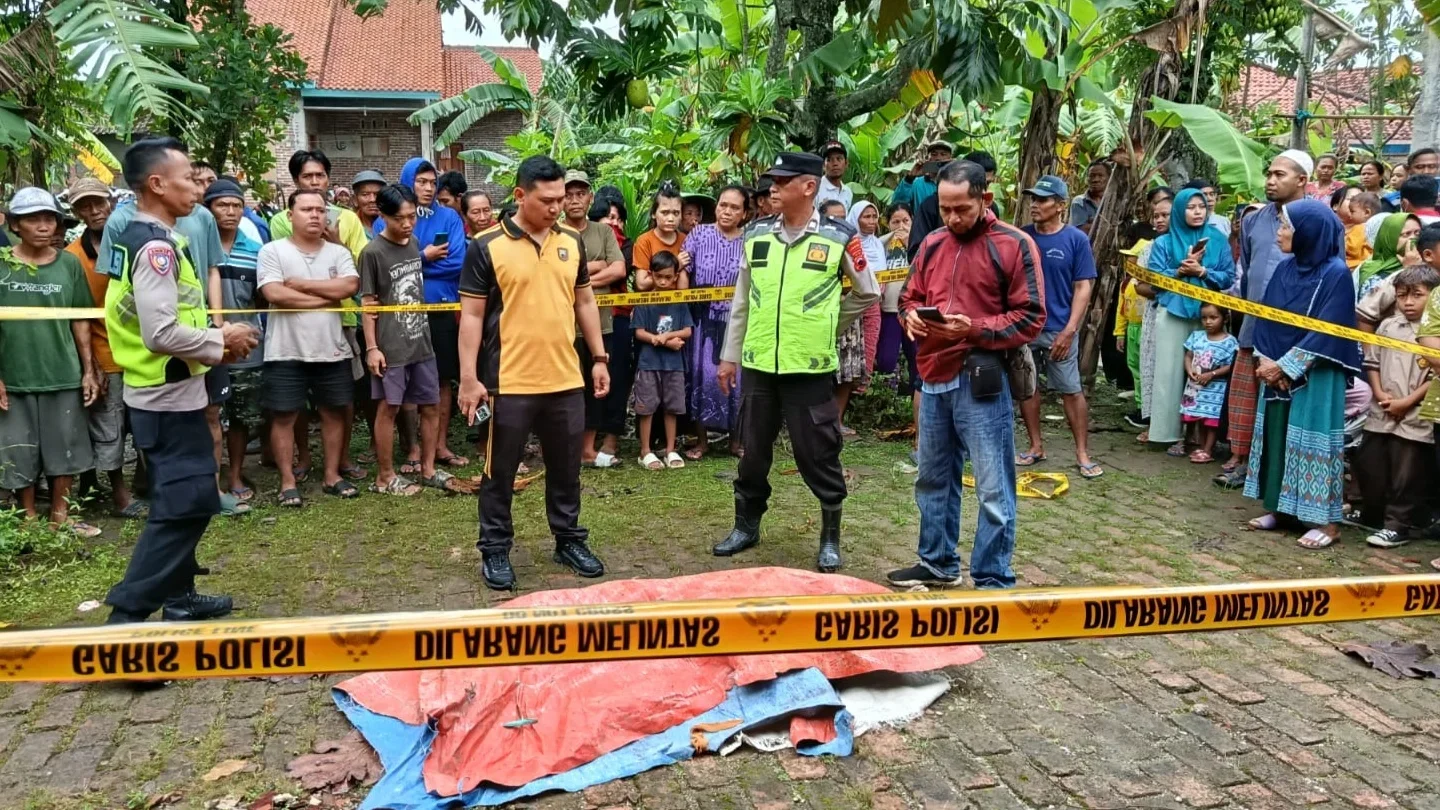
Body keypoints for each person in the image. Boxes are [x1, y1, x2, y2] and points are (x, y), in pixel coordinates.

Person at [103, 137, 259, 624]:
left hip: (170, 391)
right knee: (185, 504)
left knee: (183, 499)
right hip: (165, 396)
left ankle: (180, 597)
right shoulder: (156, 249)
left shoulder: (150, 237)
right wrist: (221, 339)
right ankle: (126, 620)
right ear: (156, 184)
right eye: (189, 178)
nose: (198, 187)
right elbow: (160, 332)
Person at [714, 151, 880, 572]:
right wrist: (729, 357)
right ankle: (746, 526)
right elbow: (742, 301)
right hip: (759, 365)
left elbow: (868, 291)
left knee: (817, 453)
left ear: (808, 187)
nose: (773, 187)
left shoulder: (840, 236)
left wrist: (828, 323)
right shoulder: (756, 233)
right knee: (752, 452)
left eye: (782, 181)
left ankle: (830, 537)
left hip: (808, 366)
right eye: (773, 180)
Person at [886, 160, 1046, 589]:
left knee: (993, 486)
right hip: (933, 375)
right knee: (932, 477)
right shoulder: (931, 243)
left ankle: (993, 577)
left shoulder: (1014, 244)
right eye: (945, 209)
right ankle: (937, 562)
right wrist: (910, 318)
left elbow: (1032, 317)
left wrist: (973, 329)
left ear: (984, 199)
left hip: (982, 378)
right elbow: (908, 298)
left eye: (962, 209)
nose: (953, 218)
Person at [457, 155, 610, 591]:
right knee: (500, 472)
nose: (557, 207)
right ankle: (495, 548)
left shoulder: (571, 242)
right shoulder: (486, 246)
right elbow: (471, 316)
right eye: (547, 200)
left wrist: (599, 358)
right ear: (520, 195)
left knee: (566, 469)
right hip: (508, 382)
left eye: (561, 199)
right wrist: (469, 378)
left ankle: (568, 539)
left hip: (565, 380)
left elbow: (584, 301)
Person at [1244, 199, 1361, 550]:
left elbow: (1329, 329)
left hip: (1316, 374)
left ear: (1308, 233)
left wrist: (1286, 366)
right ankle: (1282, 510)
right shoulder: (1285, 268)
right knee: (1278, 435)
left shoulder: (1336, 274)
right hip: (1275, 373)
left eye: (1286, 227)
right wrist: (1267, 361)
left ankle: (1326, 523)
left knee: (1314, 439)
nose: (1280, 233)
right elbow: (1266, 318)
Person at [0, 187, 100, 536]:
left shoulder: (69, 264)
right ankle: (26, 517)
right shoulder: (2, 264)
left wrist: (88, 370)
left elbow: (80, 320)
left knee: (65, 446)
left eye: (49, 219)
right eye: (33, 220)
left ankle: (61, 515)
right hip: (15, 375)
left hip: (62, 371)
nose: (43, 226)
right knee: (19, 448)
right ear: (15, 225)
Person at [266, 150, 370, 484]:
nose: (315, 215)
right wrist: (327, 297)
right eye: (306, 209)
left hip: (333, 341)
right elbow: (274, 293)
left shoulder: (340, 246)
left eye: (320, 210)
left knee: (336, 408)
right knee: (285, 413)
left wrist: (303, 286)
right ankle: (290, 478)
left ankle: (333, 473)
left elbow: (351, 284)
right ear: (290, 214)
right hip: (286, 346)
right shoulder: (273, 248)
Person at [1220, 150, 1310, 489]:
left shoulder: (1314, 220)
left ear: (1302, 180)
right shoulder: (1254, 220)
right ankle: (1243, 461)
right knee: (1246, 396)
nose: (1270, 181)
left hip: (1293, 331)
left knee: (1282, 400)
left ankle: (1277, 470)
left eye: (1280, 175)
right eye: (1269, 174)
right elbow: (1246, 270)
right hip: (1254, 321)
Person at [361, 183, 443, 497]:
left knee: (431, 405)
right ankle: (385, 476)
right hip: (391, 346)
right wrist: (372, 348)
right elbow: (368, 305)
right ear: (383, 215)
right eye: (400, 218)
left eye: (412, 216)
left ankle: (429, 468)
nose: (407, 224)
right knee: (389, 409)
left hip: (421, 342)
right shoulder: (372, 253)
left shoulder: (414, 243)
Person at [1016, 175, 1101, 478]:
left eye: (1042, 200)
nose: (1035, 205)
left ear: (1061, 206)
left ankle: (1082, 453)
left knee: (1070, 389)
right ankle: (1035, 446)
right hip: (1025, 327)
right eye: (1033, 199)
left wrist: (1070, 329)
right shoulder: (1021, 237)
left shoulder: (1076, 240)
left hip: (1059, 328)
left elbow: (1083, 287)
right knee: (1028, 388)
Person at [66, 178, 140, 519]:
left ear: (110, 202)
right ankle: (118, 492)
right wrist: (91, 364)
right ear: (76, 212)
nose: (94, 210)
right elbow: (77, 316)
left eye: (98, 202)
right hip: (103, 350)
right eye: (85, 205)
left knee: (143, 422)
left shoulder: (133, 241)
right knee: (109, 426)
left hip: (141, 349)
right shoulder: (73, 257)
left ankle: (144, 480)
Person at [1145, 187, 1235, 456]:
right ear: (1179, 210)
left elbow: (1228, 276)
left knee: (1205, 371)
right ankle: (1165, 433)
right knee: (1169, 373)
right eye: (1191, 207)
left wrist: (1203, 271)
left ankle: (1199, 435)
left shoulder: (1218, 239)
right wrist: (1180, 271)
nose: (1198, 212)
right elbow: (1154, 279)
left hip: (1209, 314)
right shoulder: (1164, 242)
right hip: (1173, 311)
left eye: (1201, 207)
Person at [392, 157, 469, 469]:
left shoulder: (448, 216)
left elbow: (456, 262)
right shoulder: (391, 216)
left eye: (432, 182)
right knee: (407, 379)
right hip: (404, 310)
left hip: (441, 308)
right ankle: (413, 448)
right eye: (421, 182)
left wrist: (412, 263)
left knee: (442, 379)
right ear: (408, 181)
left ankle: (439, 445)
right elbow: (391, 265)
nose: (428, 188)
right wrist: (424, 256)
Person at [1358, 265, 1437, 548]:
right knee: (1371, 463)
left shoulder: (1434, 331)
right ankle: (1374, 515)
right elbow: (1373, 362)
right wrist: (1380, 393)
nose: (1408, 302)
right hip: (1382, 408)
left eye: (1417, 295)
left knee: (1408, 473)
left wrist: (1406, 402)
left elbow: (1436, 376)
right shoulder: (1389, 326)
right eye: (1402, 296)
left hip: (1415, 413)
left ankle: (1398, 525)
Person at [204, 179, 267, 505]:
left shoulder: (255, 250)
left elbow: (262, 298)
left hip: (246, 348)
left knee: (242, 416)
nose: (230, 212)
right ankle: (210, 477)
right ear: (208, 209)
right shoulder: (197, 247)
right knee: (209, 414)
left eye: (236, 205)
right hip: (205, 345)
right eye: (222, 205)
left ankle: (237, 474)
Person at [561, 170, 626, 467]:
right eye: (569, 195)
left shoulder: (604, 232)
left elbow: (619, 269)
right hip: (563, 327)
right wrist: (597, 266)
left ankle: (587, 449)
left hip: (601, 324)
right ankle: (566, 447)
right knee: (567, 390)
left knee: (596, 388)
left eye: (580, 194)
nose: (575, 200)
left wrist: (580, 278)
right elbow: (555, 275)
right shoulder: (554, 232)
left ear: (590, 197)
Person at [685, 185, 748, 460]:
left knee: (737, 380)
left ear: (744, 213)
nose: (727, 211)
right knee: (702, 377)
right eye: (723, 205)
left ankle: (736, 442)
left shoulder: (750, 240)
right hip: (703, 320)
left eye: (734, 207)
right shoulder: (699, 234)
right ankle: (702, 442)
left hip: (737, 320)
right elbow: (684, 268)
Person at [632, 251, 693, 469]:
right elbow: (639, 332)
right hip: (649, 363)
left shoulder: (679, 301)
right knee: (646, 407)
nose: (664, 282)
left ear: (676, 276)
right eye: (659, 277)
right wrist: (663, 341)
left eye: (668, 277)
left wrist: (666, 336)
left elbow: (687, 330)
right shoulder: (645, 300)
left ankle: (670, 449)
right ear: (651, 275)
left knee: (672, 406)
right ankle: (645, 451)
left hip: (674, 365)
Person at [833, 199, 886, 434]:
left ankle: (838, 419)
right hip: (834, 312)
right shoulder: (823, 245)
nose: (838, 222)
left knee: (852, 366)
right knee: (832, 368)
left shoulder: (868, 245)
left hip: (862, 309)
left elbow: (871, 284)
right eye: (833, 217)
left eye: (842, 217)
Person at [1180, 302, 1238, 463]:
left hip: (1215, 389)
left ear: (1225, 318)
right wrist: (1189, 370)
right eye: (1204, 318)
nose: (1208, 322)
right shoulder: (1196, 336)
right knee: (1199, 417)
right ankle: (1201, 446)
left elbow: (1231, 365)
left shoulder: (1230, 342)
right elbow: (1189, 356)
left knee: (1211, 420)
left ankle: (1208, 450)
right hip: (1195, 387)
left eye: (1213, 317)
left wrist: (1212, 374)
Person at [1357, 213, 1421, 303]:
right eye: (1406, 234)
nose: (1413, 239)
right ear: (1389, 239)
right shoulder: (1373, 272)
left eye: (1417, 233)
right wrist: (1410, 270)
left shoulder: (1426, 261)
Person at [891, 141, 954, 210]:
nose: (938, 158)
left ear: (950, 159)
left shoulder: (956, 182)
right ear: (928, 158)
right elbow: (897, 205)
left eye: (943, 154)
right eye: (934, 154)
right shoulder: (916, 183)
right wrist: (910, 178)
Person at [1069, 160, 1110, 232]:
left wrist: (1093, 223)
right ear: (1087, 179)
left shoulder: (1115, 201)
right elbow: (1080, 230)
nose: (1095, 180)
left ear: (1109, 178)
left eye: (1100, 176)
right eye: (1092, 176)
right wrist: (1109, 223)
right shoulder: (1079, 201)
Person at [816, 140, 853, 210]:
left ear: (846, 163)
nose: (835, 163)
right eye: (829, 159)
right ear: (823, 165)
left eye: (839, 159)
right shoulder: (815, 189)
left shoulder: (848, 192)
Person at [351, 170, 386, 236]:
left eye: (377, 194)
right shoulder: (349, 225)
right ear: (355, 199)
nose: (372, 199)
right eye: (365, 194)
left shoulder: (392, 224)